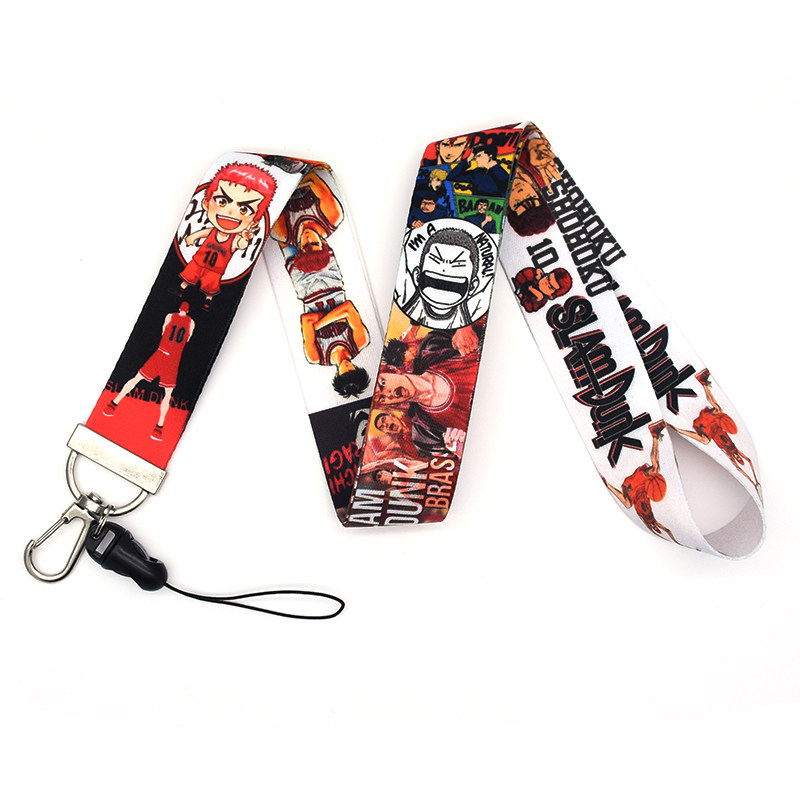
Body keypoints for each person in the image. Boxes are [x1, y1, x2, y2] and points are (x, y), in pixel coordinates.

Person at [273, 172, 371, 397]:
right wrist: (320, 324)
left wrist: (328, 319)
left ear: (338, 376)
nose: (348, 368)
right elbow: (348, 308)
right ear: (357, 369)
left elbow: (306, 320)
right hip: (330, 278)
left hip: (305, 286)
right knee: (312, 226)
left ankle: (279, 185)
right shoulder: (360, 342)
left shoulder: (316, 357)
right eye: (353, 371)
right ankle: (304, 177)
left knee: (280, 233)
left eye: (345, 374)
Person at [177, 162, 276, 310]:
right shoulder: (212, 231)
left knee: (210, 285)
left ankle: (208, 301)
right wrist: (192, 237)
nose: (230, 213)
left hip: (215, 270)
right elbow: (202, 233)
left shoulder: (234, 239)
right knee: (189, 274)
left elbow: (241, 245)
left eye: (244, 210)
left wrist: (246, 238)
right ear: (206, 203)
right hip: (198, 261)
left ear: (254, 220)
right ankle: (181, 289)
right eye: (222, 202)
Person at [103, 302, 195, 441]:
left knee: (136, 379)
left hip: (161, 353)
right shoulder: (191, 323)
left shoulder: (170, 316)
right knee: (167, 394)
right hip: (173, 359)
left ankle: (113, 404)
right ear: (187, 311)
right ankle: (159, 427)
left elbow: (163, 331)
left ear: (179, 308)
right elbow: (187, 339)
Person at [670, 369, 761, 494]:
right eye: (740, 459)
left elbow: (738, 468)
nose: (738, 458)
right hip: (715, 424)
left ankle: (678, 429)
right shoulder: (736, 450)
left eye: (738, 460)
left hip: (707, 430)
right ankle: (703, 383)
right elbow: (749, 461)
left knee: (705, 440)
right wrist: (755, 480)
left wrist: (752, 483)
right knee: (717, 409)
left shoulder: (730, 455)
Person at [602, 421, 674, 541]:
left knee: (628, 503)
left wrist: (607, 484)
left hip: (632, 486)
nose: (646, 509)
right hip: (640, 483)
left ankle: (655, 435)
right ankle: (655, 435)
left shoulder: (633, 504)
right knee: (656, 468)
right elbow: (667, 530)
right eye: (648, 511)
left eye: (645, 512)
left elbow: (626, 501)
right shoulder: (648, 498)